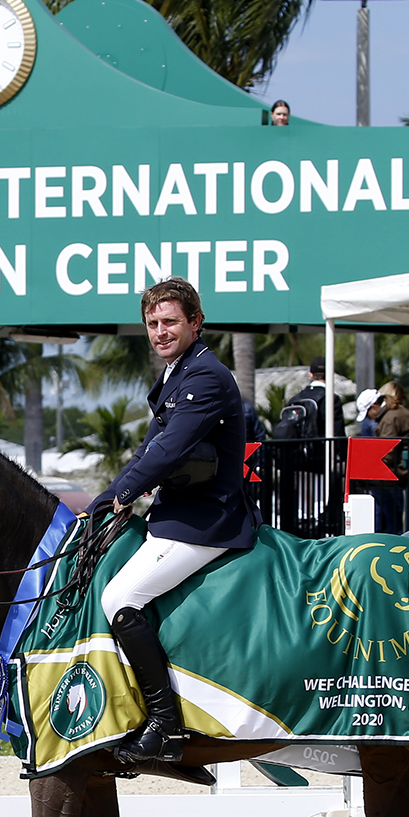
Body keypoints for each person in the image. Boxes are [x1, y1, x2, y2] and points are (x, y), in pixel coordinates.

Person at [88, 277, 259, 766]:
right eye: (153, 324)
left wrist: (121, 494)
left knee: (120, 597)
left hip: (206, 520)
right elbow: (148, 449)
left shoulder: (205, 376)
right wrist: (108, 496)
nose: (160, 332)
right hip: (174, 514)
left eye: (170, 322)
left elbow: (167, 451)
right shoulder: (175, 373)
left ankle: (164, 727)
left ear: (195, 323)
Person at [371, 382, 409, 535]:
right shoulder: (400, 413)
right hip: (399, 469)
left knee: (390, 516)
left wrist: (376, 464)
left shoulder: (391, 417)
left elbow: (387, 449)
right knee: (392, 514)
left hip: (392, 472)